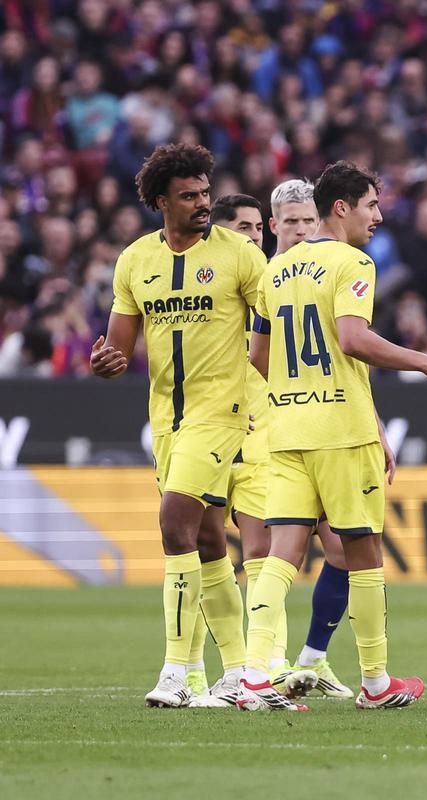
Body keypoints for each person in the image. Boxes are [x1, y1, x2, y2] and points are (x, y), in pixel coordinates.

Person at [239, 161, 427, 711]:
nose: (378, 216)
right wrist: (426, 362)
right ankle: (375, 681)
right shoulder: (353, 263)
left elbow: (259, 354)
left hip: (288, 430)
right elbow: (353, 339)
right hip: (341, 431)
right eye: (371, 205)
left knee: (281, 554)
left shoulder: (279, 270)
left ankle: (251, 676)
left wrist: (299, 393)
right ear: (340, 207)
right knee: (363, 553)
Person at [90, 144, 267, 708]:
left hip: (222, 412)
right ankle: (239, 672)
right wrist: (106, 362)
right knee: (210, 539)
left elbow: (272, 326)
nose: (201, 203)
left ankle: (175, 672)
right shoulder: (135, 260)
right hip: (166, 418)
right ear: (160, 200)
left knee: (173, 524)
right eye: (188, 195)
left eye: (205, 193)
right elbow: (116, 348)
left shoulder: (239, 254)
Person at [205, 183, 360, 703]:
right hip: (266, 437)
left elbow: (347, 363)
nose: (300, 229)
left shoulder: (324, 275)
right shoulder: (256, 280)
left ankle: (311, 658)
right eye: (290, 221)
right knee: (265, 552)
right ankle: (263, 667)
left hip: (328, 430)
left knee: (341, 549)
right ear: (274, 225)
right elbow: (246, 356)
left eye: (307, 221)